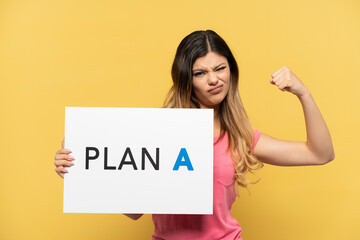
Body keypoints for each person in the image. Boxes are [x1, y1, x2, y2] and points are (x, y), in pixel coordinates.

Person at [54, 30, 335, 239]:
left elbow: (319, 154)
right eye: (200, 73)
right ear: (187, 79)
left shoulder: (240, 137)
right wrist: (83, 172)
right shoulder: (157, 133)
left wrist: (303, 93)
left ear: (231, 72)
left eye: (220, 68)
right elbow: (134, 211)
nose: (213, 79)